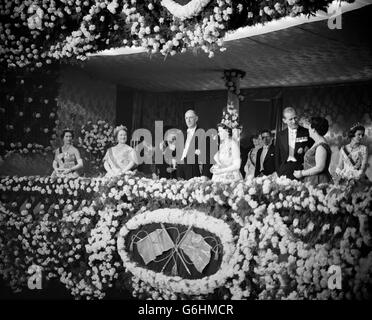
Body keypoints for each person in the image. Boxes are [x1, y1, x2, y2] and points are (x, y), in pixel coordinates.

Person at [275, 107, 313, 180]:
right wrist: (279, 172)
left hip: (301, 171)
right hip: (284, 173)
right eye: (290, 119)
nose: (294, 121)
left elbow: (314, 151)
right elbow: (277, 156)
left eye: (295, 118)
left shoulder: (306, 132)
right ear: (284, 120)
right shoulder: (280, 135)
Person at [294, 117, 333, 185]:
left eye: (309, 127)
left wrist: (301, 173)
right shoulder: (317, 142)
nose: (308, 129)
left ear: (314, 129)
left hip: (319, 181)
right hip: (313, 179)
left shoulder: (321, 146)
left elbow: (320, 167)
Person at [210, 109, 242, 182]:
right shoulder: (222, 145)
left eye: (220, 131)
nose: (218, 133)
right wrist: (215, 167)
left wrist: (221, 171)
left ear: (227, 132)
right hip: (219, 177)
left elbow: (237, 165)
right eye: (218, 131)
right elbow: (222, 161)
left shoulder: (233, 144)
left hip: (231, 178)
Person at [176, 109, 202, 180]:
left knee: (190, 189)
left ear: (196, 118)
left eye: (191, 117)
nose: (188, 120)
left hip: (192, 167)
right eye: (186, 118)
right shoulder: (182, 134)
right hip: (180, 167)